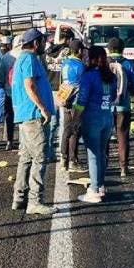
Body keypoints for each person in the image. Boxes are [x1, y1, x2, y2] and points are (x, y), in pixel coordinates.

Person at [11, 29, 56, 215]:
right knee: (39, 158)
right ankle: (35, 201)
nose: (45, 45)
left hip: (25, 115)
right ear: (36, 43)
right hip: (33, 116)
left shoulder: (21, 59)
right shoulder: (29, 59)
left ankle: (19, 197)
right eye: (43, 42)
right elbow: (29, 85)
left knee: (26, 158)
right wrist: (43, 107)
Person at [74, 46, 116, 203]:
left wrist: (75, 119)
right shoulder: (110, 76)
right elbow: (112, 97)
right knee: (101, 153)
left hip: (92, 119)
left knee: (93, 155)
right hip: (107, 117)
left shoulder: (88, 76)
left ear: (91, 58)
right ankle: (101, 185)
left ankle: (94, 190)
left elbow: (82, 101)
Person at [107, 37, 134, 177]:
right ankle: (124, 167)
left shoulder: (103, 63)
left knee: (105, 137)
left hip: (106, 107)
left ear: (108, 49)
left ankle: (104, 165)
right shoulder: (128, 64)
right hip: (123, 106)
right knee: (123, 136)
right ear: (123, 49)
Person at [58, 38, 86, 172]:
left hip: (65, 100)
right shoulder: (81, 66)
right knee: (75, 131)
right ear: (80, 51)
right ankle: (73, 161)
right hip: (77, 103)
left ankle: (63, 159)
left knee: (66, 129)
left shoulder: (65, 63)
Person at [0, 36, 17, 149]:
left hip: (9, 91)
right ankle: (24, 143)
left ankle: (9, 141)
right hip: (24, 94)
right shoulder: (28, 56)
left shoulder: (6, 57)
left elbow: (0, 76)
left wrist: (3, 85)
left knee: (9, 117)